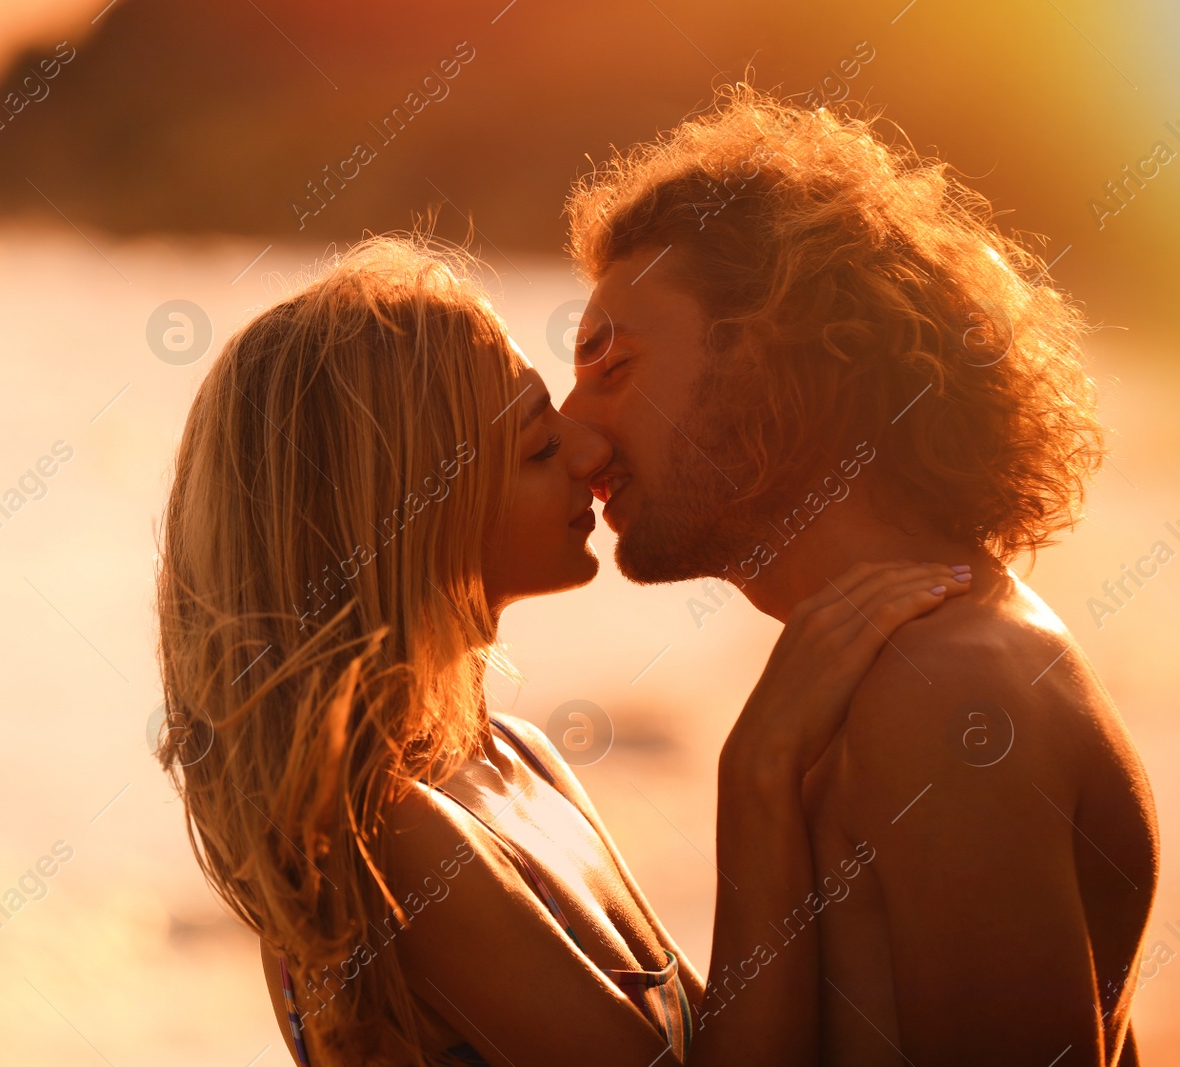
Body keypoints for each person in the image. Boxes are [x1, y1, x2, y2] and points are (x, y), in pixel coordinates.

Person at [154, 235, 970, 1065]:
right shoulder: (389, 838)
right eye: (539, 449)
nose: (591, 454)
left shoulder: (518, 757)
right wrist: (759, 771)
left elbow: (722, 1040)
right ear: (409, 518)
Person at [559, 86, 1159, 1065]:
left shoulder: (947, 689)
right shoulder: (922, 659)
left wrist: (752, 782)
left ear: (782, 349)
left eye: (611, 365)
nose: (573, 428)